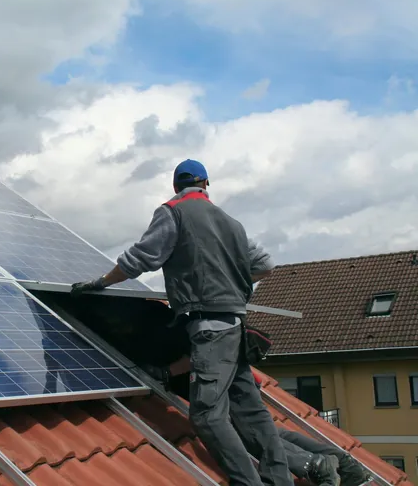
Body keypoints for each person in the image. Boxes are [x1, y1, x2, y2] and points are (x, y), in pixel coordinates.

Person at [71, 159, 293, 486]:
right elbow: (265, 265)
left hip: (210, 329)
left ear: (176, 187)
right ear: (206, 184)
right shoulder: (231, 222)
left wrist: (101, 282)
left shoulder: (173, 212)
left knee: (206, 416)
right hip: (236, 326)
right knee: (252, 412)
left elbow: (140, 258)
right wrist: (232, 284)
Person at [148, 357, 371, 486]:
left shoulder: (173, 327)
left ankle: (315, 465)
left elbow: (200, 352)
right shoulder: (187, 317)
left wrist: (167, 372)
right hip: (235, 374)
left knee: (245, 435)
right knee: (267, 432)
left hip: (222, 380)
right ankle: (343, 463)